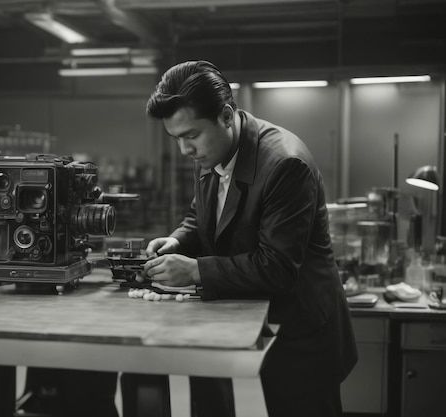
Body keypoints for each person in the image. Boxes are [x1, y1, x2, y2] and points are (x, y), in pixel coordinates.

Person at [139, 60, 358, 417]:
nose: (185, 151)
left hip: (300, 337)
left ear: (226, 115)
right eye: (177, 138)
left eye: (191, 135)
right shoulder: (213, 151)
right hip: (244, 323)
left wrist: (195, 271)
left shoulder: (285, 165)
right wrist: (177, 241)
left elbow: (278, 267)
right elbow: (202, 217)